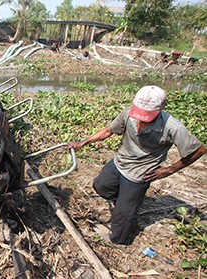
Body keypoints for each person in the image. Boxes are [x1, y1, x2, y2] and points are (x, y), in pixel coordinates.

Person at [68, 85, 206, 245]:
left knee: (123, 215)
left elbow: (199, 150)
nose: (140, 119)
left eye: (146, 115)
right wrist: (82, 143)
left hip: (140, 173)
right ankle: (124, 201)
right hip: (120, 162)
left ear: (160, 109)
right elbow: (108, 131)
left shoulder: (172, 127)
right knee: (101, 186)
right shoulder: (128, 114)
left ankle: (119, 240)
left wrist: (169, 170)